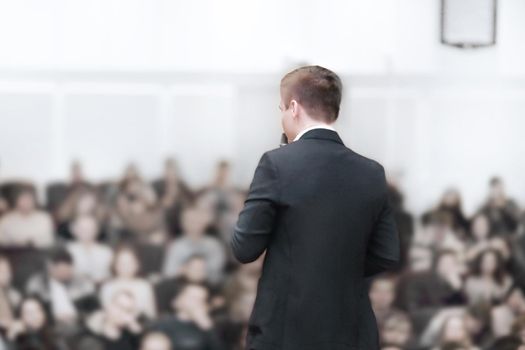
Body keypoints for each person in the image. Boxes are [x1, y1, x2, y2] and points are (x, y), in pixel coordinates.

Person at [230, 65, 400, 349]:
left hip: (287, 331)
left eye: (281, 109)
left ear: (294, 108)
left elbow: (244, 248)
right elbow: (386, 254)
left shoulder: (277, 164)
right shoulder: (372, 172)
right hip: (351, 331)